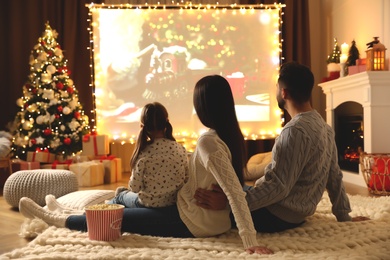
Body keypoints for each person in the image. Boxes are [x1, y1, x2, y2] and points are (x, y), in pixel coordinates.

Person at [19, 75, 273, 255]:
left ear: (203, 106)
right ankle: (63, 210)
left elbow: (234, 192)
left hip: (193, 221)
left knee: (115, 218)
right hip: (193, 213)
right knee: (120, 208)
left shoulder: (209, 142)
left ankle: (55, 219)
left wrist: (248, 240)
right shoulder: (228, 136)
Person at [194, 62, 369, 233]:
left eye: (277, 88)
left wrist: (229, 204)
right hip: (297, 213)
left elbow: (278, 187)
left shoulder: (294, 131)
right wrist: (343, 215)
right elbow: (334, 175)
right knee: (238, 189)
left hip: (275, 216)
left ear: (284, 93)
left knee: (206, 204)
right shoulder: (325, 128)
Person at [107, 102, 188, 208]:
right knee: (124, 193)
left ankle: (100, 210)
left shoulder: (143, 153)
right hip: (173, 202)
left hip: (147, 203)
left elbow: (134, 188)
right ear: (167, 122)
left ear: (142, 126)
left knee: (120, 196)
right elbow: (187, 179)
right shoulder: (180, 149)